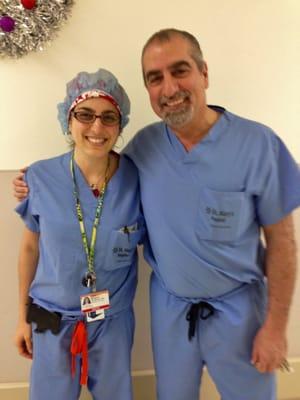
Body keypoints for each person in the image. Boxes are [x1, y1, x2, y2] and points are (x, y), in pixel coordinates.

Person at [13, 29, 300, 400]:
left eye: (180, 71)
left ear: (204, 73)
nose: (169, 87)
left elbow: (284, 242)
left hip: (239, 308)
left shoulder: (258, 144)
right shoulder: (144, 149)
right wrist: (30, 182)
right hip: (171, 309)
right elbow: (92, 168)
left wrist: (276, 329)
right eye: (155, 78)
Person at [14, 68, 144, 400]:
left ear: (120, 124)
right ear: (68, 120)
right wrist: (21, 318)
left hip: (111, 320)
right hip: (50, 317)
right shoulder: (40, 177)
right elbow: (30, 250)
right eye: (85, 115)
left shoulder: (139, 180)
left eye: (108, 117)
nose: (97, 127)